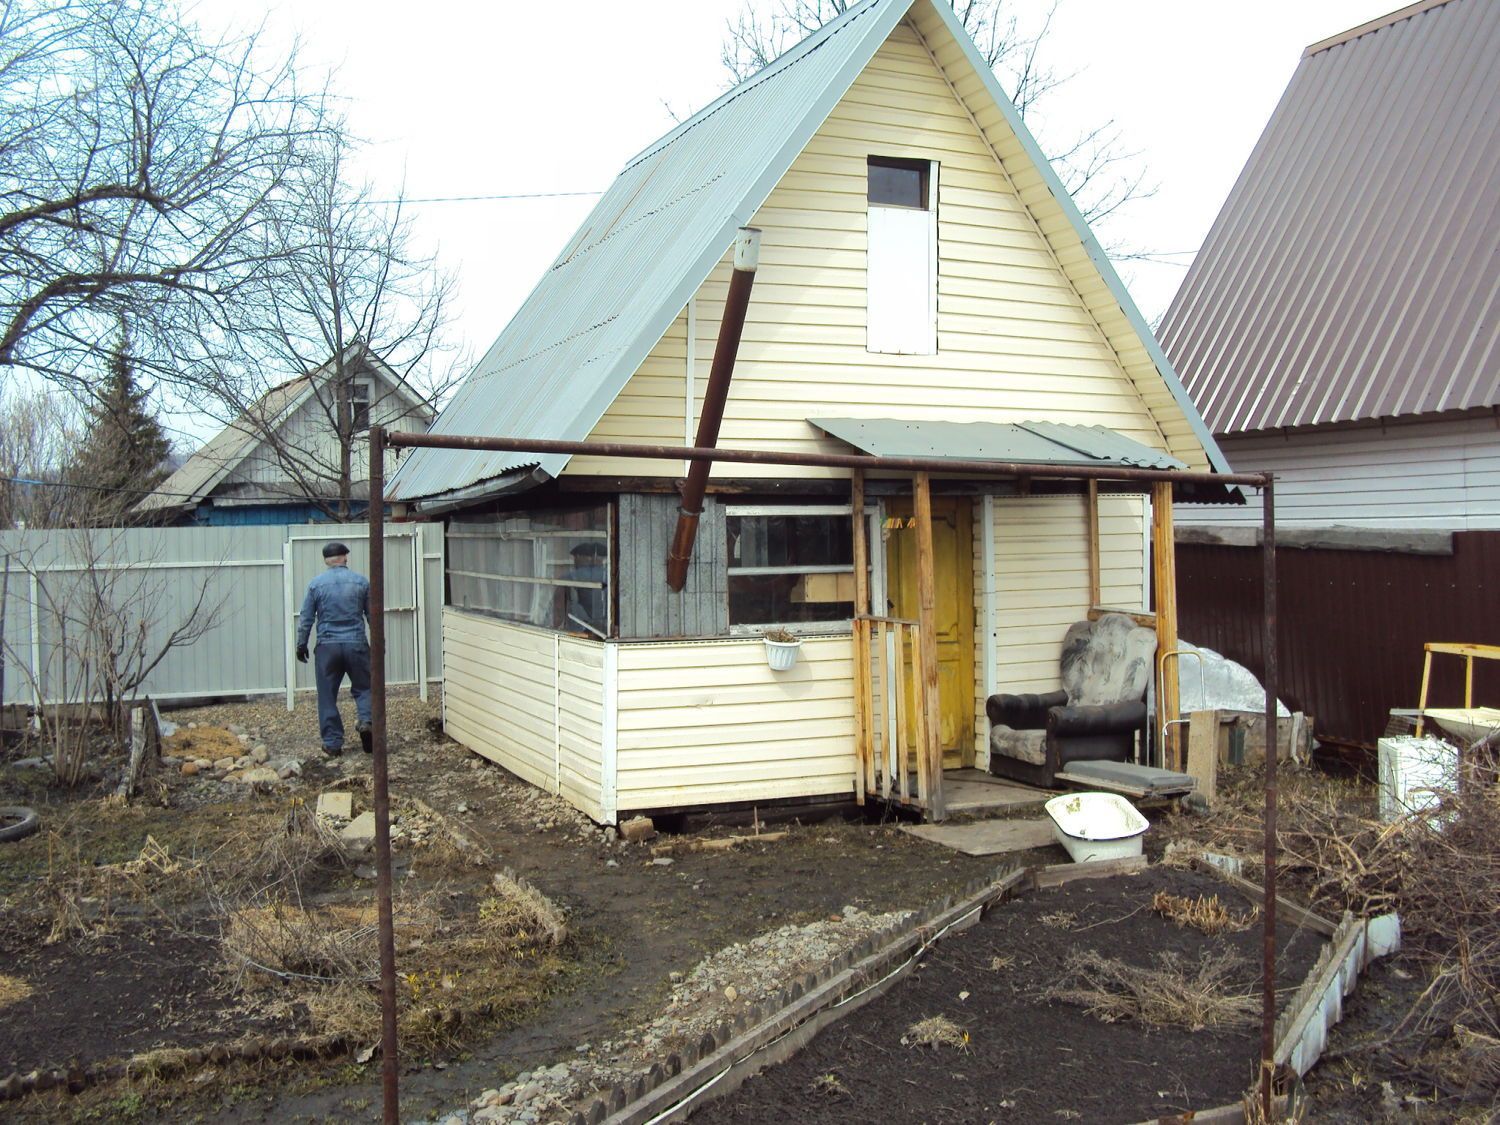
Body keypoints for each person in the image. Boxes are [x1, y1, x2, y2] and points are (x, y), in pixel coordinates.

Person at [296, 542, 372, 757]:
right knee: (365, 687)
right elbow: (372, 615)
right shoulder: (361, 582)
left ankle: (332, 743)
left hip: (327, 645)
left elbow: (306, 618)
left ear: (326, 560)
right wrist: (379, 642)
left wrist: (301, 644)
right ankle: (367, 722)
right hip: (356, 643)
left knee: (327, 695)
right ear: (345, 558)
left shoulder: (316, 585)